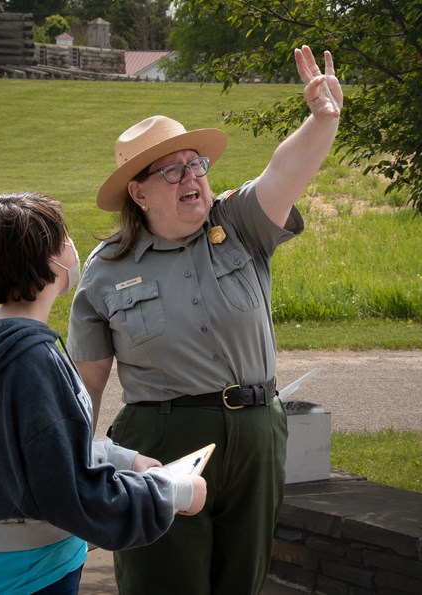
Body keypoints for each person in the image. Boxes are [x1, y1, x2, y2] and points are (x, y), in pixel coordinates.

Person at [67, 46, 342, 595]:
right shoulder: (105, 270)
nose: (191, 175)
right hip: (162, 440)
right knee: (164, 582)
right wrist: (76, 473)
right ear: (139, 192)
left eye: (197, 163)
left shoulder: (240, 222)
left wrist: (321, 120)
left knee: (242, 582)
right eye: (173, 169)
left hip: (257, 430)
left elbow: (282, 173)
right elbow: (85, 386)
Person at [0, 192, 206, 595]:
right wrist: (173, 492)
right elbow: (69, 489)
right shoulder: (31, 359)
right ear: (51, 260)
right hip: (31, 568)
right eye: (64, 239)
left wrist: (125, 458)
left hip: (8, 557)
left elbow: (37, 449)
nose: (72, 248)